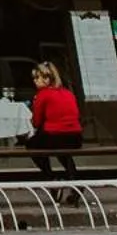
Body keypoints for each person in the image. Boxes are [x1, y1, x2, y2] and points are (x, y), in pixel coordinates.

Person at [26, 61, 85, 193]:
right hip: (75, 137)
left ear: (47, 79)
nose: (35, 81)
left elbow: (36, 122)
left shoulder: (42, 95)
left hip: (55, 134)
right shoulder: (68, 93)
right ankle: (75, 179)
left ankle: (50, 177)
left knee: (32, 145)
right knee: (64, 154)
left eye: (37, 78)